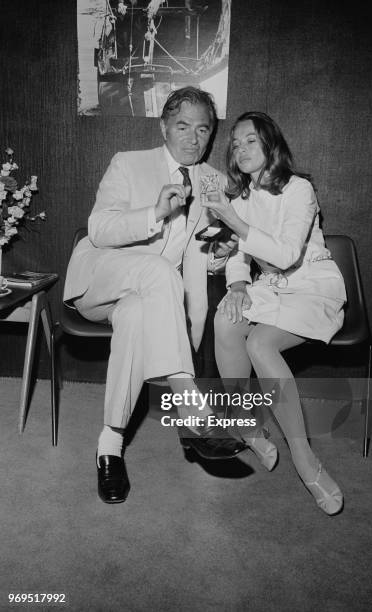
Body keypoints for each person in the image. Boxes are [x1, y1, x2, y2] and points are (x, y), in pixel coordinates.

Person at [63, 87, 246, 504]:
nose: (192, 138)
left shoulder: (213, 182)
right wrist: (155, 214)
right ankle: (191, 408)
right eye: (182, 126)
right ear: (164, 126)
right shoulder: (128, 163)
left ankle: (109, 446)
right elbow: (100, 230)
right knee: (158, 271)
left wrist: (222, 258)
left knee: (134, 316)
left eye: (203, 129)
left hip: (147, 297)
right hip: (100, 282)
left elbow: (208, 256)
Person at [203, 111, 346, 516]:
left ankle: (305, 461)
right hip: (269, 287)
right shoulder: (240, 198)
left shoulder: (299, 189)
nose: (241, 148)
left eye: (251, 140)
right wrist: (236, 285)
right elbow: (238, 257)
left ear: (271, 145)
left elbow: (284, 255)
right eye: (235, 143)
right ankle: (245, 424)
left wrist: (233, 221)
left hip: (310, 283)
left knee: (262, 345)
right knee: (225, 319)